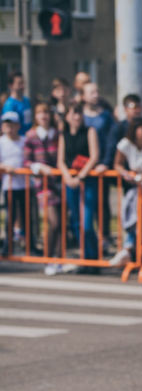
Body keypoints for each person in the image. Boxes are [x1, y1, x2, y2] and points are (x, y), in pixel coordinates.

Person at [110, 118, 142, 267]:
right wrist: (126, 174)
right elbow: (117, 164)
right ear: (135, 131)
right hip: (135, 185)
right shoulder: (125, 144)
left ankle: (138, 250)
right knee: (132, 213)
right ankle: (132, 249)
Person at [57, 103, 100, 271]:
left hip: (87, 180)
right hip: (70, 181)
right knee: (76, 222)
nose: (77, 117)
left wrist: (81, 175)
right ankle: (85, 258)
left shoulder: (90, 131)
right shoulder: (64, 135)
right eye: (73, 114)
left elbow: (94, 155)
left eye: (79, 114)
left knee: (87, 223)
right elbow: (60, 160)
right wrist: (67, 176)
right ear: (67, 116)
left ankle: (93, 259)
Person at [24, 103, 62, 273]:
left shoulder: (57, 135)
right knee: (53, 221)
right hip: (43, 185)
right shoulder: (31, 136)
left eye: (46, 112)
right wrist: (38, 167)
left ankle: (59, 258)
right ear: (36, 117)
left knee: (62, 223)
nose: (44, 116)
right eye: (40, 113)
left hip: (59, 182)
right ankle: (48, 258)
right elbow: (26, 161)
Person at [82, 82, 116, 252]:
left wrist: (105, 162)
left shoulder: (106, 116)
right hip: (83, 167)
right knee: (86, 205)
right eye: (91, 92)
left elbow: (111, 141)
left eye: (97, 91)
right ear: (83, 96)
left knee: (103, 205)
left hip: (101, 166)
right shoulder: (78, 116)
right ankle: (87, 242)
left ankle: (105, 237)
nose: (95, 95)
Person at [0, 112, 26, 256]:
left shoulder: (23, 140)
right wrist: (4, 167)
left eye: (12, 125)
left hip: (25, 184)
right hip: (8, 184)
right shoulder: (1, 142)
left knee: (26, 216)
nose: (9, 128)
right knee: (10, 216)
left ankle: (30, 244)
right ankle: (7, 245)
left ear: (18, 126)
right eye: (6, 125)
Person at [2, 71, 32, 135]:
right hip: (18, 141)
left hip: (28, 139)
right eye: (19, 83)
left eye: (23, 83)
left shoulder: (26, 100)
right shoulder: (9, 105)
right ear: (11, 86)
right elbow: (8, 129)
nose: (23, 86)